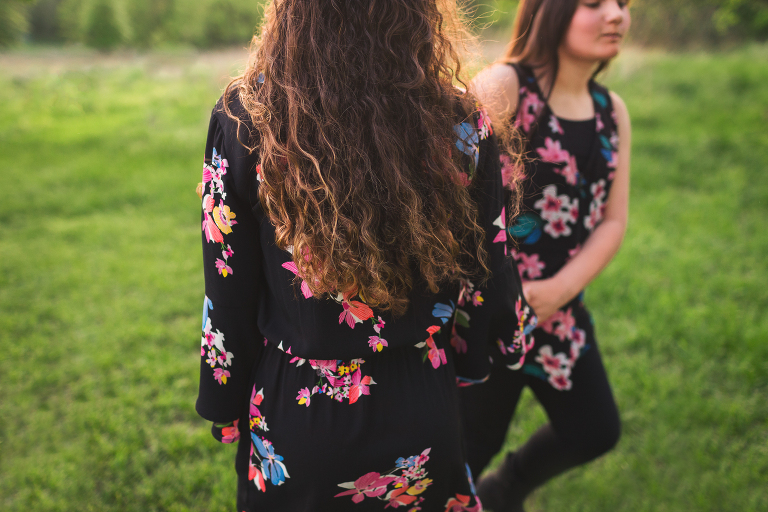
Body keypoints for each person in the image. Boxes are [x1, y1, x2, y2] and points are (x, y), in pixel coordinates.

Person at [194, 1, 536, 510]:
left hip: (296, 417)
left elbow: (228, 291)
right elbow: (487, 271)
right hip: (420, 400)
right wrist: (475, 359)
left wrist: (223, 399)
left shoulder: (249, 118)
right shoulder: (461, 123)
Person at [458, 0, 632, 510]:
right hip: (488, 314)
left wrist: (559, 290)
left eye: (623, 3)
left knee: (595, 429)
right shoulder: (504, 89)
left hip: (558, 308)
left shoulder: (612, 112)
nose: (616, 15)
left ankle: (503, 491)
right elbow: (445, 202)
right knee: (467, 449)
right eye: (594, 3)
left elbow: (613, 221)